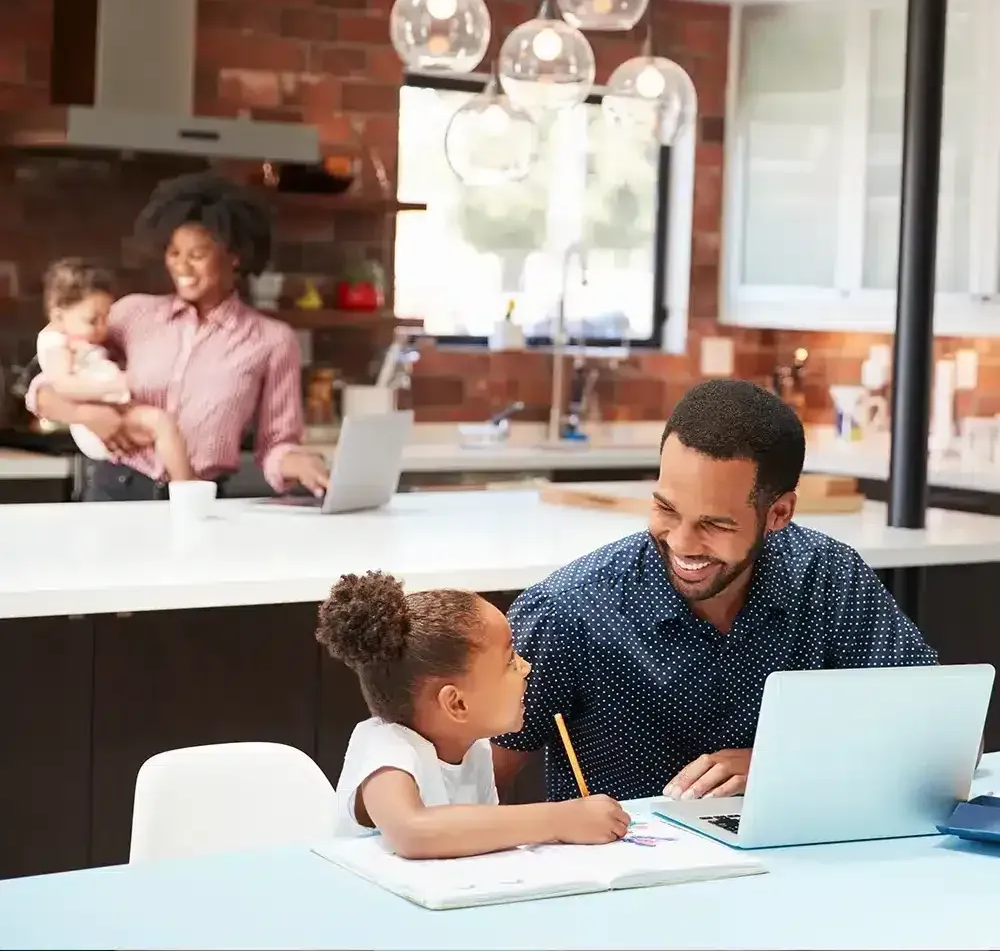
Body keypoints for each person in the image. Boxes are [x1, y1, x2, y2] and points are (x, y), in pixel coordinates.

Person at [492, 379, 938, 804]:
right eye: (666, 508)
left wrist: (777, 767)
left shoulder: (829, 579)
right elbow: (475, 784)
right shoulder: (568, 610)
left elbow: (940, 740)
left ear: (778, 513)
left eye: (714, 524)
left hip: (801, 867)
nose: (682, 543)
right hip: (626, 873)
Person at [24, 172, 328, 502]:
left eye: (196, 255)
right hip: (115, 490)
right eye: (173, 253)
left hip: (198, 501)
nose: (182, 266)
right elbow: (43, 389)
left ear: (234, 256)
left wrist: (300, 462)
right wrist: (88, 416)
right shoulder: (131, 315)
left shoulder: (272, 341)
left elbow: (277, 445)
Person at [316, 570, 630, 859]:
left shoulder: (476, 749)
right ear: (457, 704)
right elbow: (413, 832)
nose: (526, 667)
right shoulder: (386, 747)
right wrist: (559, 819)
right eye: (510, 660)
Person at [37, 257, 194, 482]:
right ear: (59, 316)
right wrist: (115, 387)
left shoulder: (82, 337)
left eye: (106, 318)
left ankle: (184, 481)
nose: (103, 327)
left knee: (163, 423)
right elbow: (63, 385)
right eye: (93, 320)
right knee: (162, 424)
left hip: (113, 407)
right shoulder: (56, 344)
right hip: (98, 423)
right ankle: (187, 485)